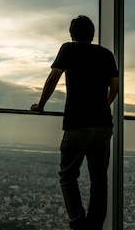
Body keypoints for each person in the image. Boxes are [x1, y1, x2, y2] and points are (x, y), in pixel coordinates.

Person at [30, 15, 119, 230]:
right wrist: (104, 105)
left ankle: (78, 222)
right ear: (92, 34)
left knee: (68, 175)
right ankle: (95, 224)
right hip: (103, 124)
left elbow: (53, 78)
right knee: (99, 179)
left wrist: (40, 104)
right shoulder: (106, 53)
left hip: (77, 122)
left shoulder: (68, 49)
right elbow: (115, 86)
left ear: (72, 33)